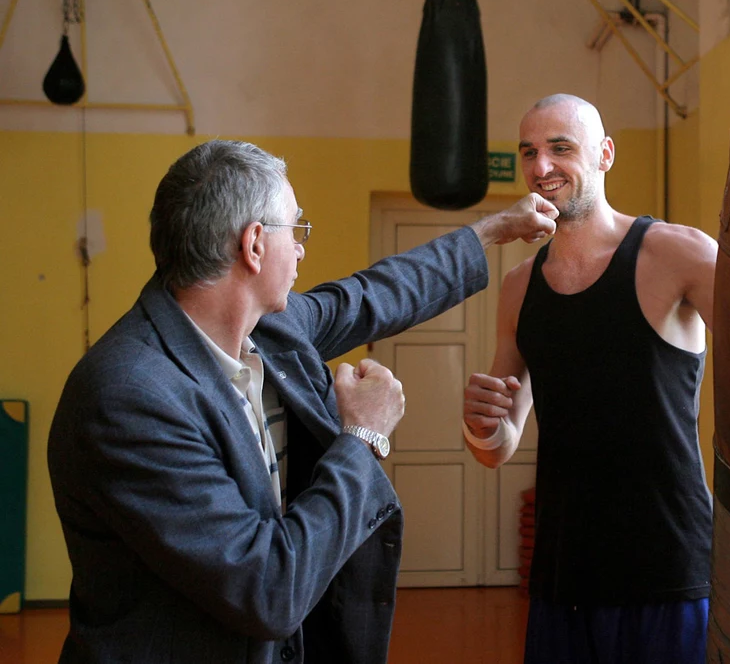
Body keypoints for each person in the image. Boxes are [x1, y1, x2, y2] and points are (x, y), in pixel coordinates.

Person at [47, 139, 558, 664]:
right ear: (254, 245)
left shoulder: (268, 330)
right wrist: (362, 436)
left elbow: (377, 293)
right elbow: (267, 588)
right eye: (297, 229)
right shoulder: (129, 396)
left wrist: (496, 230)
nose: (301, 248)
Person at [462, 94, 718, 664]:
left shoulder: (678, 254)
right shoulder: (519, 286)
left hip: (667, 567)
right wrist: (481, 425)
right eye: (529, 151)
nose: (541, 167)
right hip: (564, 572)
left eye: (560, 148)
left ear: (604, 155)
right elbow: (496, 447)